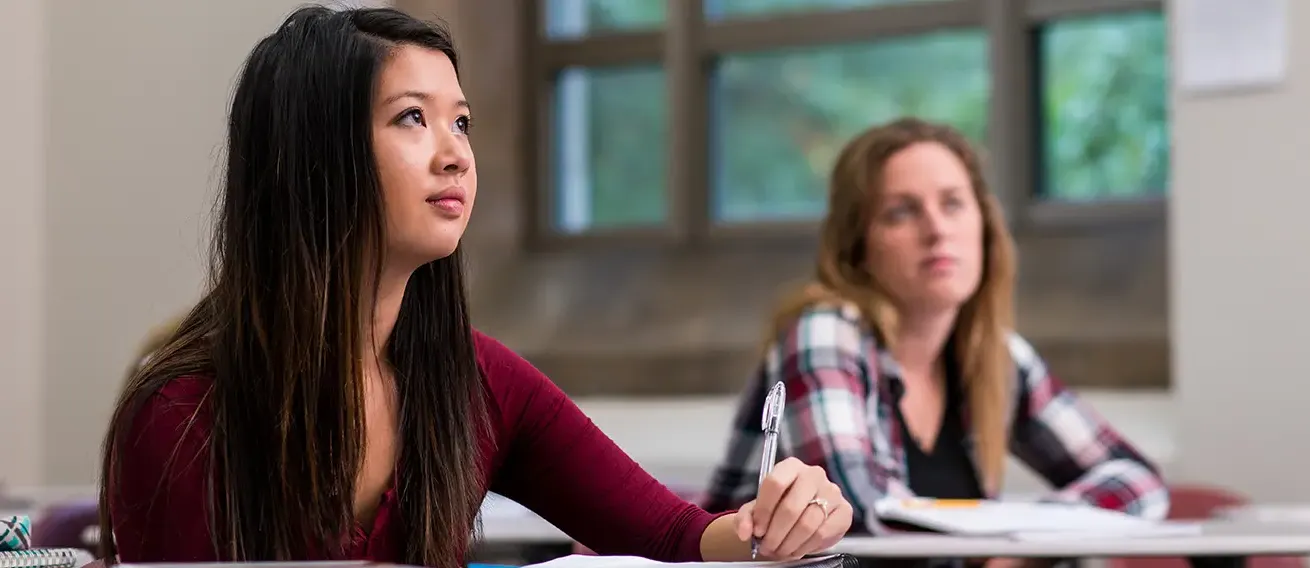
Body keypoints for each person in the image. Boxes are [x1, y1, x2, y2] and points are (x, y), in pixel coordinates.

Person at [97, 7, 852, 567]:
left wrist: (779, 523)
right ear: (314, 158)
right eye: (412, 119)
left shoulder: (476, 379)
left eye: (461, 123)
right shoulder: (181, 412)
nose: (455, 154)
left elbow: (671, 536)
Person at [700, 118, 1169, 543]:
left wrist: (1033, 541)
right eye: (901, 212)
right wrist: (1015, 537)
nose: (937, 230)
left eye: (953, 204)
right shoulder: (824, 333)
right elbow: (859, 518)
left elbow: (1137, 480)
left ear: (985, 228)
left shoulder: (997, 358)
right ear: (857, 247)